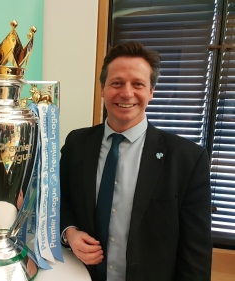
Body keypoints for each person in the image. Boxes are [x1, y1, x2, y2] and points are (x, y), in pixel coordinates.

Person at [60, 41, 212, 281]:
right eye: (117, 83)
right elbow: (61, 199)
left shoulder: (187, 159)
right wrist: (69, 232)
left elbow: (196, 252)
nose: (127, 93)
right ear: (102, 88)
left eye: (138, 84)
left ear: (151, 91)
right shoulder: (77, 144)